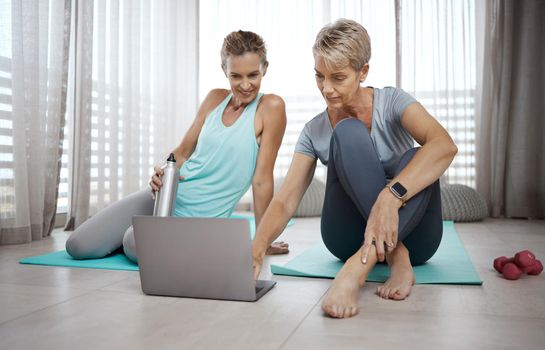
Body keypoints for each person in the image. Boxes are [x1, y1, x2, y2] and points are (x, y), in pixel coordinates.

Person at [251, 19, 458, 319]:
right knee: (347, 132)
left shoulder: (393, 103)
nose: (326, 88)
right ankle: (397, 255)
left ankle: (355, 270)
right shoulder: (314, 131)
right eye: (319, 76)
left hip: (419, 237)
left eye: (338, 77)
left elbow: (444, 146)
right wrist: (256, 248)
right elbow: (285, 200)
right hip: (348, 236)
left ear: (363, 72)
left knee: (417, 155)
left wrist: (391, 197)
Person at [66, 30, 289, 263]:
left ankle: (148, 237)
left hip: (199, 220)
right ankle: (145, 236)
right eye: (236, 76)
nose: (245, 85)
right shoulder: (214, 98)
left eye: (253, 75)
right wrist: (162, 171)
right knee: (78, 245)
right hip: (166, 195)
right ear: (225, 71)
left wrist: (263, 240)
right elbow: (183, 152)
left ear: (265, 68)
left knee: (132, 241)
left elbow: (262, 180)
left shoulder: (271, 107)